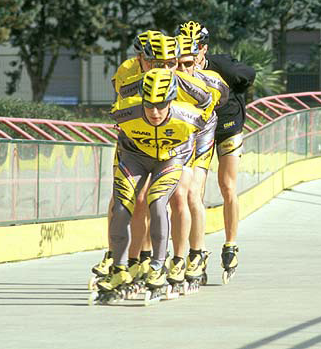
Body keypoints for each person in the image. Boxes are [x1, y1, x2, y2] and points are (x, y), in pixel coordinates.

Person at [96, 68, 208, 299]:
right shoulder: (124, 112)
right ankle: (119, 269)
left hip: (171, 157)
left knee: (157, 202)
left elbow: (204, 125)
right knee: (121, 205)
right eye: (149, 105)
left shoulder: (189, 117)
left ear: (171, 100)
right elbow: (121, 140)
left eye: (161, 104)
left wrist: (186, 166)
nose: (155, 112)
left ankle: (158, 266)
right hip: (135, 157)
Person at [176, 21, 255, 283]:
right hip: (200, 132)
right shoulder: (178, 68)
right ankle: (196, 251)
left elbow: (248, 75)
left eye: (196, 49)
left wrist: (237, 95)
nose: (191, 55)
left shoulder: (221, 66)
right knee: (192, 193)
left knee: (227, 186)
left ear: (205, 49)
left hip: (227, 128)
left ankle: (230, 243)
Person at [90, 30, 161, 290]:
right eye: (148, 59)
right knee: (124, 198)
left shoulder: (167, 71)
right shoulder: (127, 70)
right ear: (139, 56)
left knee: (152, 199)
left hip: (162, 142)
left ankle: (144, 255)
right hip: (133, 140)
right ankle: (113, 254)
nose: (154, 66)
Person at [170, 35, 229, 285]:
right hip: (175, 138)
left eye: (188, 64)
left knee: (192, 193)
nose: (182, 70)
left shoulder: (211, 83)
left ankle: (197, 253)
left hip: (200, 138)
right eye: (177, 64)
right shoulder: (164, 82)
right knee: (169, 196)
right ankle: (159, 257)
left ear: (197, 62)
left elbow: (223, 101)